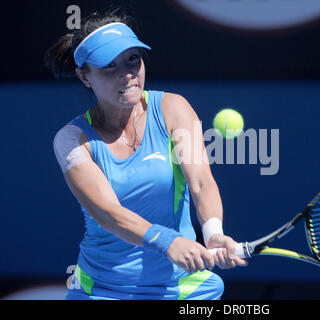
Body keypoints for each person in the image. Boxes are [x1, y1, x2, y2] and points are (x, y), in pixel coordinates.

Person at [46, 9, 247, 300]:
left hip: (180, 288)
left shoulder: (172, 108)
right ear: (84, 76)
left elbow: (201, 181)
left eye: (133, 59)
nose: (126, 73)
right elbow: (109, 214)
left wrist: (214, 232)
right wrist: (167, 241)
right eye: (109, 66)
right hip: (104, 290)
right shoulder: (71, 139)